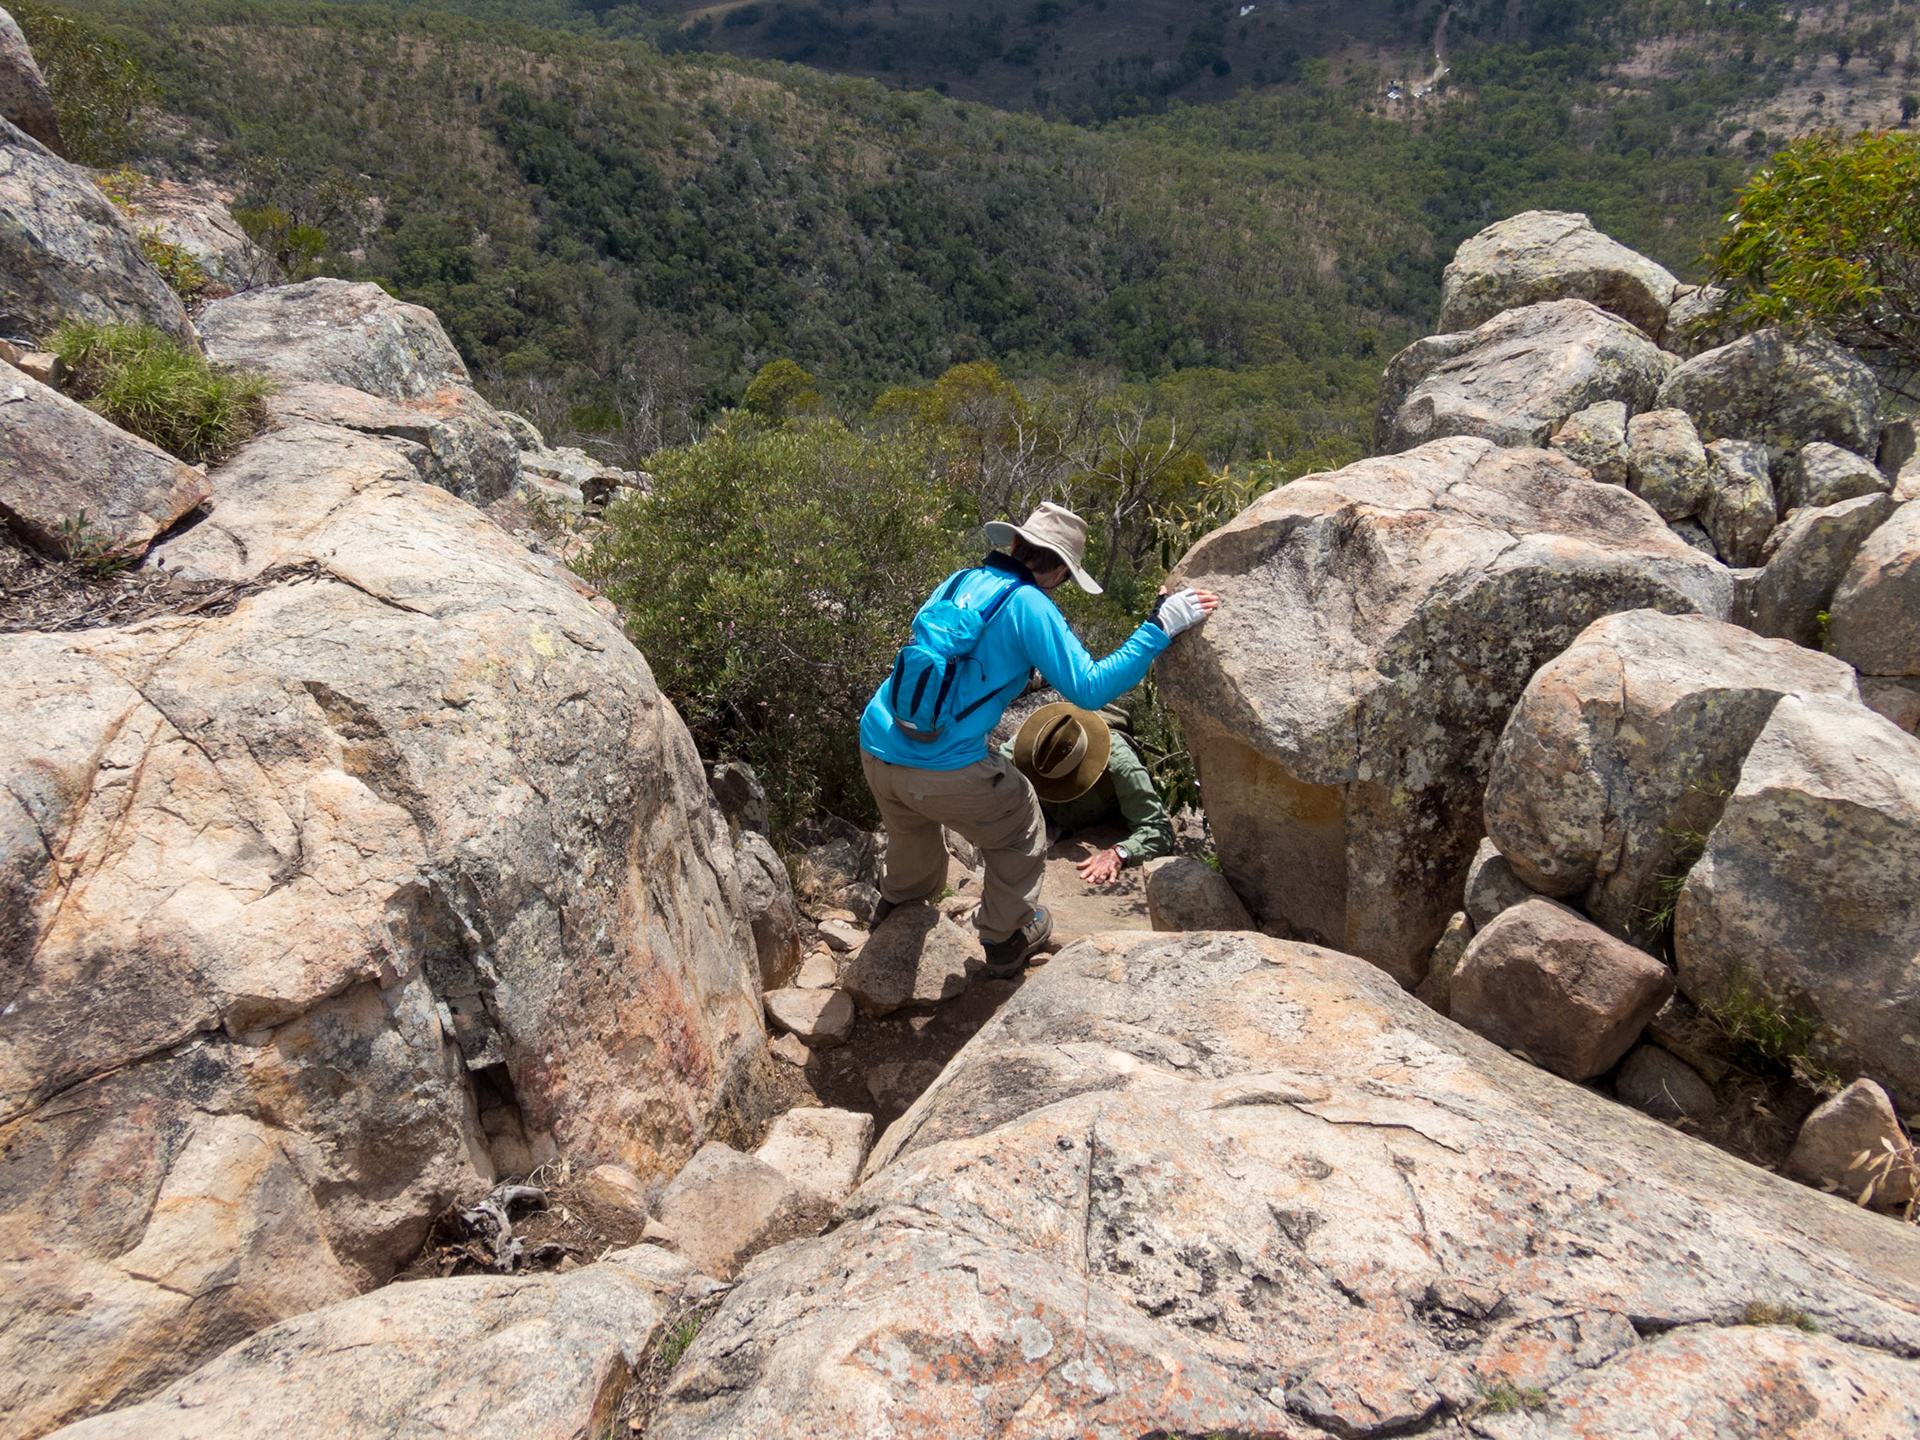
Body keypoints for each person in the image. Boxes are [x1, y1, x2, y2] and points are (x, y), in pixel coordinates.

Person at [859, 501, 1218, 976]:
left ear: (1015, 544)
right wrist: (1159, 627)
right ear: (1057, 571)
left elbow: (960, 664)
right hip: (941, 767)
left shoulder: (960, 581)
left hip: (878, 743)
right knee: (1022, 821)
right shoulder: (1030, 604)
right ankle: (1007, 937)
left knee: (911, 827)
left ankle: (895, 907)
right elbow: (1091, 689)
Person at [1000, 699, 1173, 885]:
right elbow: (986, 772)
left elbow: (1159, 829)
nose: (1052, 787)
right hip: (1049, 819)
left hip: (1101, 823)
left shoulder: (1121, 765)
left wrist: (1119, 853)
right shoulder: (1034, 745)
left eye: (1063, 783)